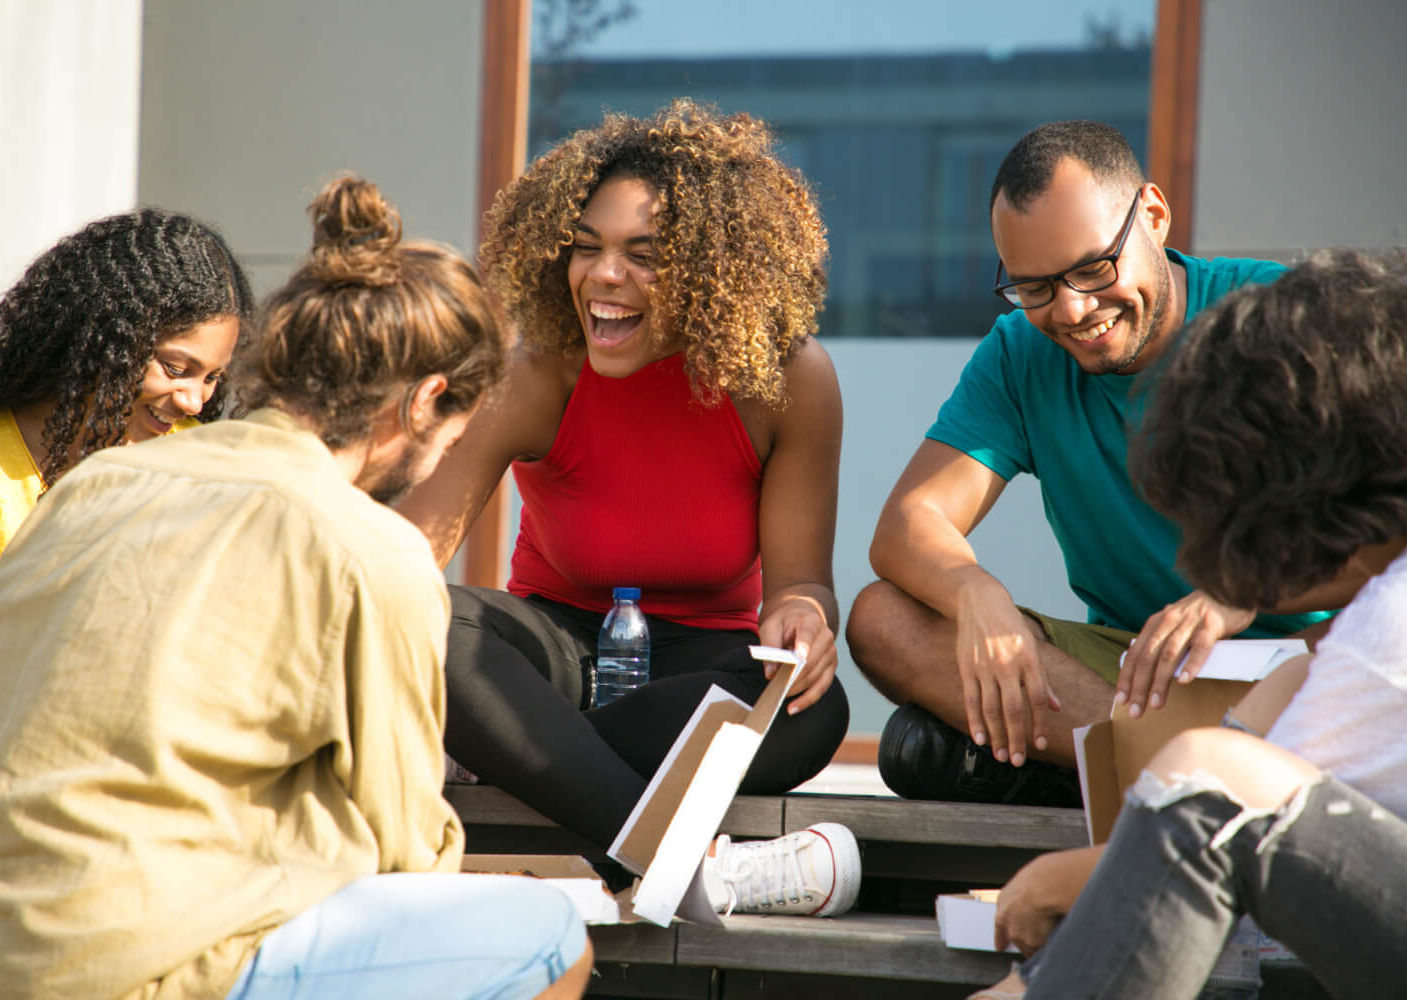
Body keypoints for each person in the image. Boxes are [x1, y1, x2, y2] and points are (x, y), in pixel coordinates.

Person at [0, 176, 592, 999]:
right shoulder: (373, 549)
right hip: (121, 966)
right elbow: (404, 850)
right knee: (551, 934)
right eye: (456, 432)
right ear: (425, 402)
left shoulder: (95, 484)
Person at [398, 99, 860, 915]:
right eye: (587, 249)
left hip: (697, 668)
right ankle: (692, 874)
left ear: (721, 273)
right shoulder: (536, 374)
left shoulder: (790, 382)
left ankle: (515, 752)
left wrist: (807, 620)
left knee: (810, 713)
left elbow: (800, 587)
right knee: (439, 628)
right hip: (555, 652)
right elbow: (396, 567)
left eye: (644, 256)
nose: (605, 276)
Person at [846, 120, 1346, 807]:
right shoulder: (1021, 350)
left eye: (1091, 269)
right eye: (1035, 288)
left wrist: (1243, 591)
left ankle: (1125, 767)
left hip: (1300, 657)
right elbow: (908, 524)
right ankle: (1188, 773)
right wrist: (975, 593)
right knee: (885, 620)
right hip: (1133, 668)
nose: (1073, 311)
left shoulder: (1277, 317)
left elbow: (1384, 535)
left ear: (1154, 215)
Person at [974, 249, 1407, 998]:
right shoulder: (1363, 623)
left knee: (1208, 776)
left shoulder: (1388, 628)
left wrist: (1057, 878)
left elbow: (1214, 815)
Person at [0, 208, 253, 801]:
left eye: (213, 378)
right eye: (176, 367)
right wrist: (6, 593)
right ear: (104, 337)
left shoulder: (201, 468)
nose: (195, 400)